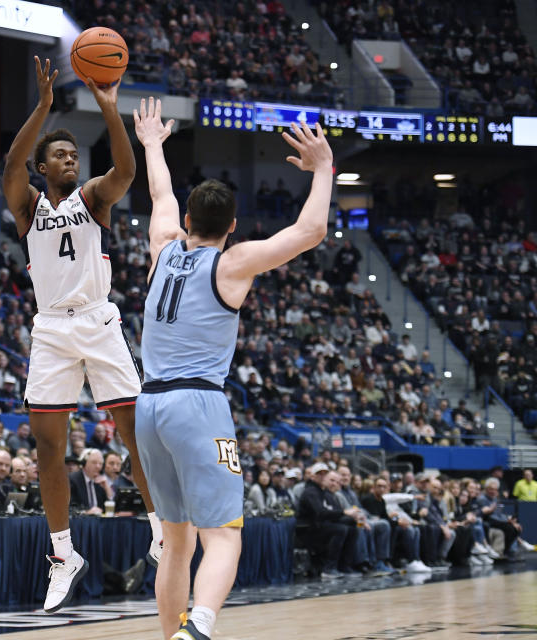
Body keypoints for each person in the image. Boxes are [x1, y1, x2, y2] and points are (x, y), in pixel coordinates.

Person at [132, 97, 333, 640]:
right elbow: (311, 231)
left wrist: (153, 144)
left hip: (147, 407)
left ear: (190, 220)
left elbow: (159, 194)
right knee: (223, 535)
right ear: (233, 226)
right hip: (198, 405)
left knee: (177, 542)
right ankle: (199, 628)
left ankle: (172, 635)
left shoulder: (162, 248)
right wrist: (324, 169)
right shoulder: (233, 262)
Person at [2, 56, 159, 613]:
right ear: (44, 167)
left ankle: (161, 528)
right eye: (60, 155)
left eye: (73, 154)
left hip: (97, 320)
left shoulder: (94, 198)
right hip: (50, 329)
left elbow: (126, 171)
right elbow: (10, 165)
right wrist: (43, 108)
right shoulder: (28, 207)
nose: (70, 159)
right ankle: (63, 553)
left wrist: (110, 108)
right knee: (47, 445)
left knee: (133, 432)